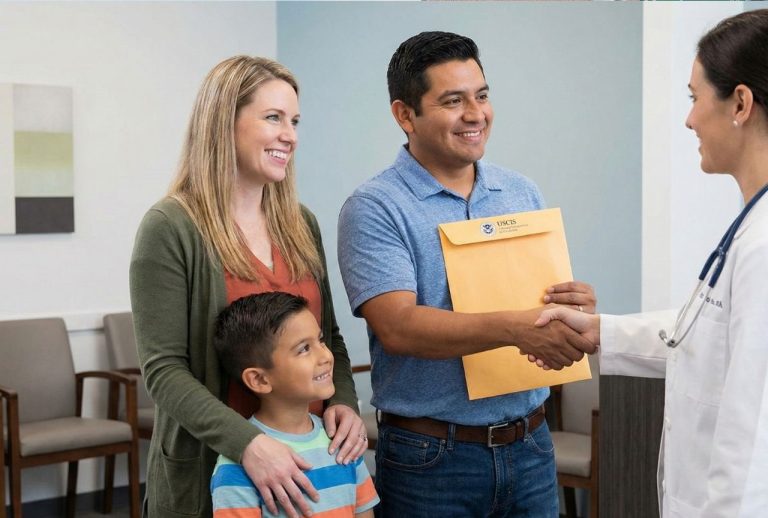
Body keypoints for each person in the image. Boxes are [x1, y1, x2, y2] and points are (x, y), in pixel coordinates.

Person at [337, 31, 597, 517]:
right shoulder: (374, 207)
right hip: (432, 459)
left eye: (481, 95)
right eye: (453, 101)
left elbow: (540, 307)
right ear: (404, 114)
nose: (475, 114)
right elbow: (397, 326)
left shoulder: (521, 191)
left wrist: (570, 308)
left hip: (532, 444)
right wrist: (516, 329)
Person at [535, 9, 768, 517]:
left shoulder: (764, 245)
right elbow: (701, 337)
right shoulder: (750, 226)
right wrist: (599, 331)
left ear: (741, 103)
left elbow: (752, 441)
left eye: (694, 97)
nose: (688, 119)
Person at [130, 56, 367, 518]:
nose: (290, 136)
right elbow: (164, 372)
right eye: (273, 118)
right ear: (224, 123)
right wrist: (250, 444)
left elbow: (331, 337)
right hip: (217, 471)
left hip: (310, 467)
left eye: (295, 121)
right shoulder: (171, 227)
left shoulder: (301, 223)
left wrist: (343, 400)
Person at [210, 292, 379, 517]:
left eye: (320, 341)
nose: (326, 356)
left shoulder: (343, 441)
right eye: (304, 349)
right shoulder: (236, 467)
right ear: (259, 380)